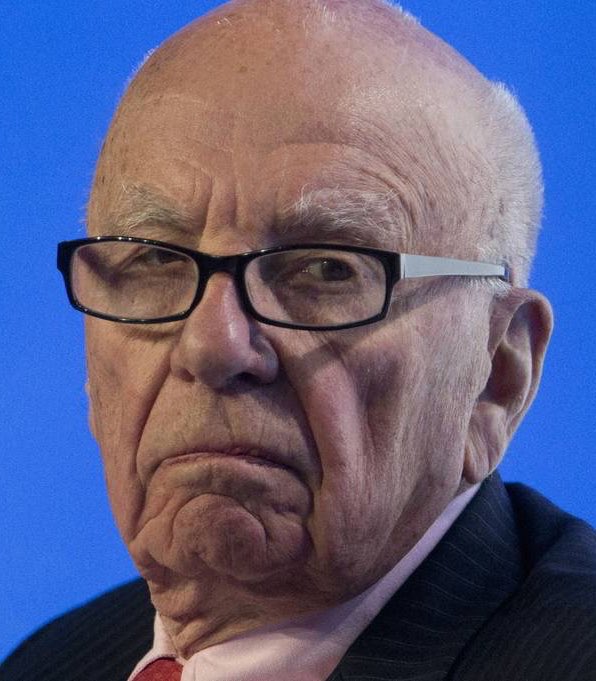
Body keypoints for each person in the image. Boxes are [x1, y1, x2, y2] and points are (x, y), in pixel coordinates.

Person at [2, 1, 596, 679]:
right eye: (156, 260)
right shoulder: (52, 662)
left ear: (496, 375)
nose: (214, 346)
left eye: (326, 269)